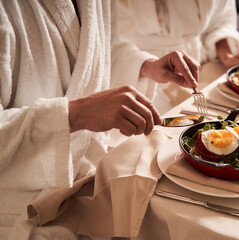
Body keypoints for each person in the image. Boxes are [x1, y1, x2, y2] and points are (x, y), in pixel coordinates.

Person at [0, 0, 199, 238]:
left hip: (91, 172)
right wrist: (78, 113)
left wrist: (146, 66)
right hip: (24, 204)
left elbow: (97, 49)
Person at [111, 0, 239, 113]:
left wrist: (228, 55)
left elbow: (220, 19)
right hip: (137, 74)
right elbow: (104, 42)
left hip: (202, 65)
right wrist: (146, 65)